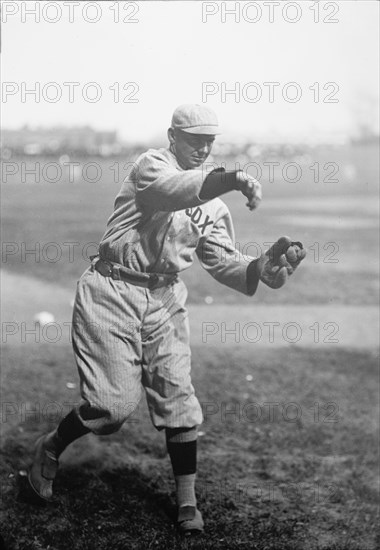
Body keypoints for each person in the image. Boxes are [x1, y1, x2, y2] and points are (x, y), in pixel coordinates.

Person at [28, 104, 305, 535]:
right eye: (196, 139)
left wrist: (261, 270)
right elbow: (176, 191)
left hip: (165, 299)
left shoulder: (213, 203)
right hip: (112, 291)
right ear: (173, 136)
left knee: (179, 397)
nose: (204, 147)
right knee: (111, 408)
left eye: (210, 140)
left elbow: (221, 260)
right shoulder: (151, 166)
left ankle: (187, 501)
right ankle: (51, 445)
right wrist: (230, 179)